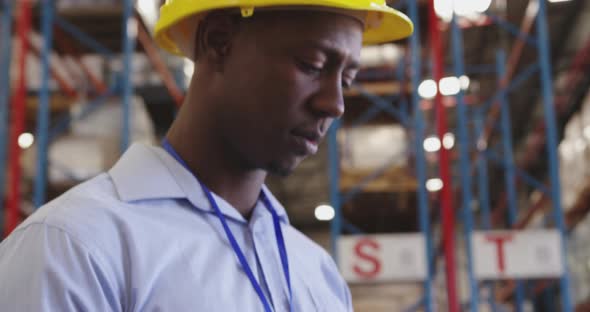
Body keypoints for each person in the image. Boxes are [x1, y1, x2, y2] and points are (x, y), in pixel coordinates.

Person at [0, 1, 412, 311]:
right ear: (218, 41)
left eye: (348, 78)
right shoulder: (75, 248)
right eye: (312, 65)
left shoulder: (318, 275)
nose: (335, 104)